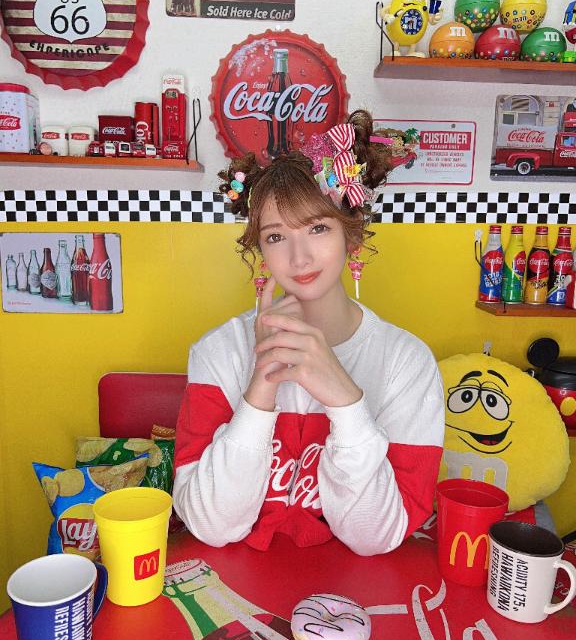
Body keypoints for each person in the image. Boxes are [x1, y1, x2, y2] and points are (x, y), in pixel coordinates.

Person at [173, 109, 445, 556]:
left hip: (358, 586)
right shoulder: (217, 352)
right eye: (276, 237)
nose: (299, 258)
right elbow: (210, 526)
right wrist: (261, 387)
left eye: (318, 228)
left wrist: (346, 402)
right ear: (260, 250)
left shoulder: (406, 362)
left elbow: (376, 538)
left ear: (351, 237)